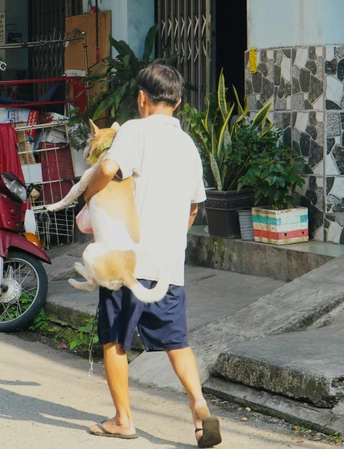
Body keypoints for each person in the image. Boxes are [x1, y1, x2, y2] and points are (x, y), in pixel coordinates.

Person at [82, 62, 221, 447]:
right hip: (168, 264)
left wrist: (88, 191)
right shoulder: (189, 145)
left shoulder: (133, 130)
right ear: (176, 101)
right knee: (177, 341)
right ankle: (199, 407)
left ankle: (124, 420)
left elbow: (108, 166)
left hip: (128, 259)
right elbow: (194, 208)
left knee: (115, 339)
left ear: (142, 98)